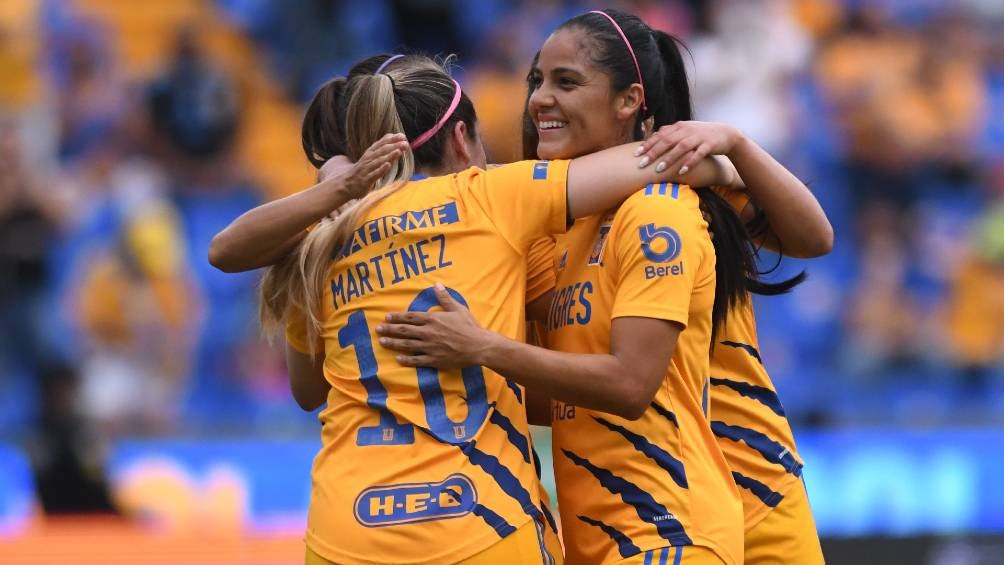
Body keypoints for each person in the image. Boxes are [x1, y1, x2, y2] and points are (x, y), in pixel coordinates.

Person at [376, 9, 830, 565]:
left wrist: (734, 151)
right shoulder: (542, 226)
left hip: (743, 497)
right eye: (536, 82)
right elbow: (568, 393)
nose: (540, 99)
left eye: (565, 82)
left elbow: (814, 237)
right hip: (622, 514)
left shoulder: (671, 197)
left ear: (629, 100)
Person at [250, 54, 736, 564]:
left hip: (344, 533)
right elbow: (656, 162)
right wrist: (728, 162)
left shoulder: (320, 236)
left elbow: (308, 390)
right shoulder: (490, 195)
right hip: (480, 523)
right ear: (461, 138)